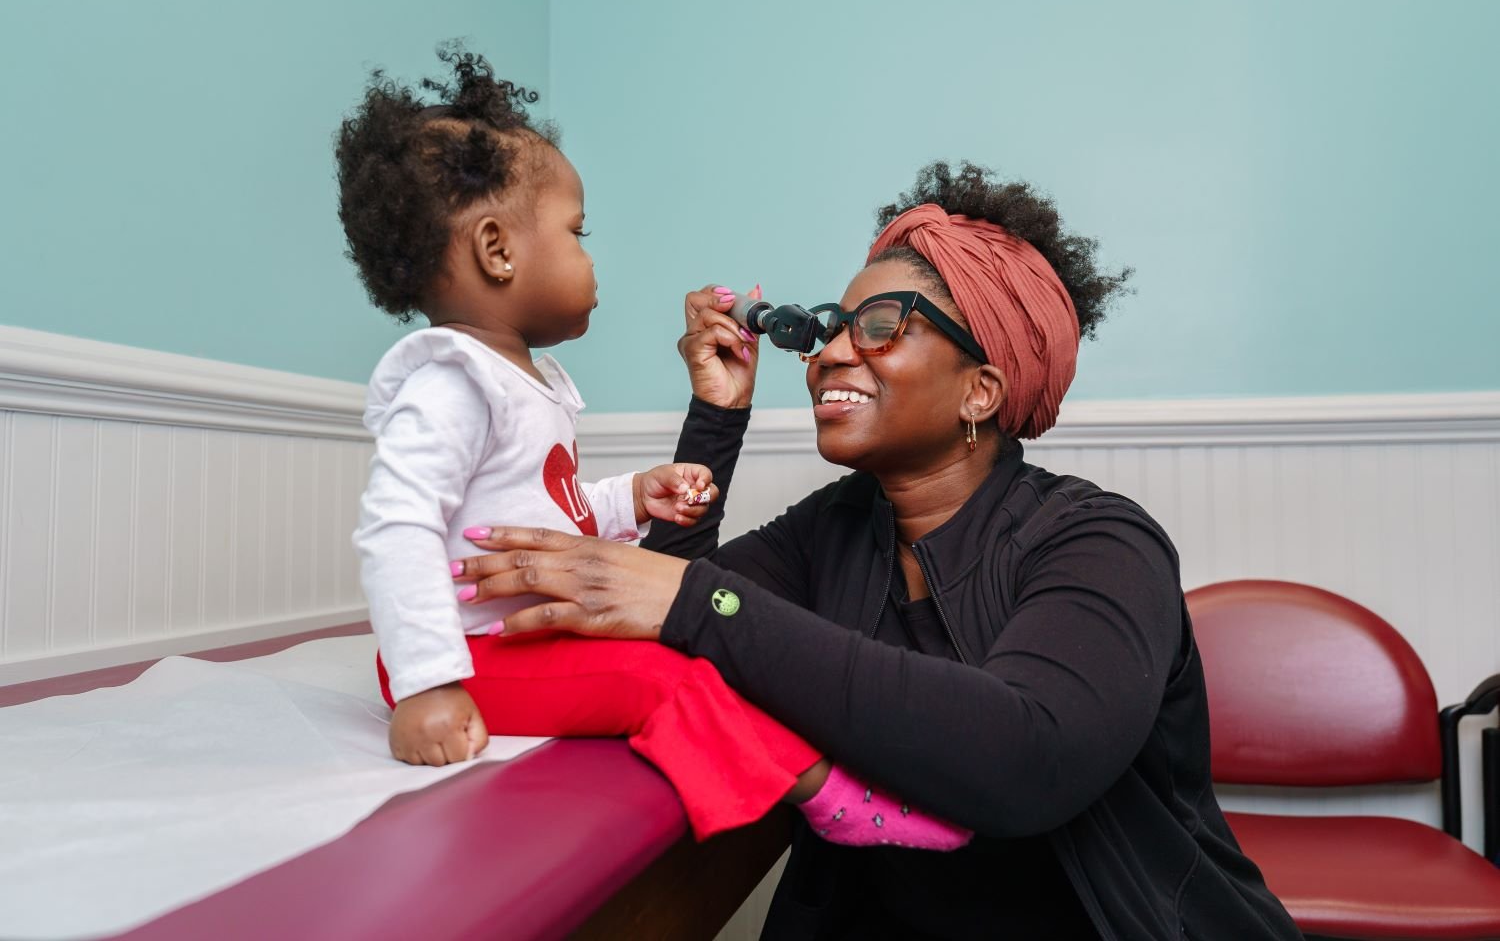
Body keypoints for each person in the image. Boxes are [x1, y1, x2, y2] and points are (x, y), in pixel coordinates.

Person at [450, 162, 1303, 938]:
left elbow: (1025, 758)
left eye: (880, 326)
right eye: (831, 328)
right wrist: (717, 418)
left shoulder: (1100, 542)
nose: (829, 354)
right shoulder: (836, 528)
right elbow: (673, 622)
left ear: (981, 391)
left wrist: (699, 604)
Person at [335, 46, 972, 850]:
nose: (589, 255)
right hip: (470, 655)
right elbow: (397, 528)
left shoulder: (525, 380)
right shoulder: (450, 383)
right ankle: (832, 798)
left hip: (517, 639)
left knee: (688, 650)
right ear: (497, 251)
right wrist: (428, 682)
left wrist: (633, 497)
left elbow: (551, 514)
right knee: (665, 679)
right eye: (577, 232)